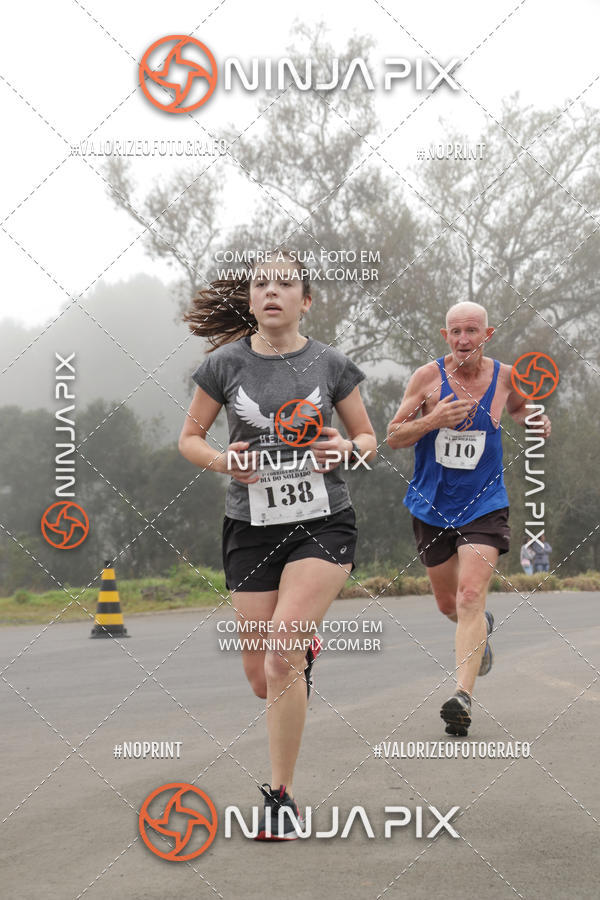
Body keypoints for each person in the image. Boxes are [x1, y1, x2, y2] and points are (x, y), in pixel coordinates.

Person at [178, 250, 376, 839]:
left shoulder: (331, 363)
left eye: (285, 284)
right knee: (262, 674)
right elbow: (189, 439)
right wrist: (221, 460)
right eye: (261, 283)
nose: (271, 292)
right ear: (251, 300)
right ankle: (300, 647)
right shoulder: (223, 366)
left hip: (324, 521)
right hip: (249, 526)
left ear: (305, 300)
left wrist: (345, 448)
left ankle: (281, 798)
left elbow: (368, 438)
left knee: (283, 651)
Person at [386, 301, 551, 736]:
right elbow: (394, 436)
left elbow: (519, 408)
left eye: (471, 331)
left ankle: (462, 696)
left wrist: (535, 419)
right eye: (455, 332)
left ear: (487, 334)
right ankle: (481, 632)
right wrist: (434, 419)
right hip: (431, 505)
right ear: (446, 336)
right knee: (449, 605)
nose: (463, 340)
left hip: (484, 503)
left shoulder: (507, 376)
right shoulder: (427, 378)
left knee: (469, 593)